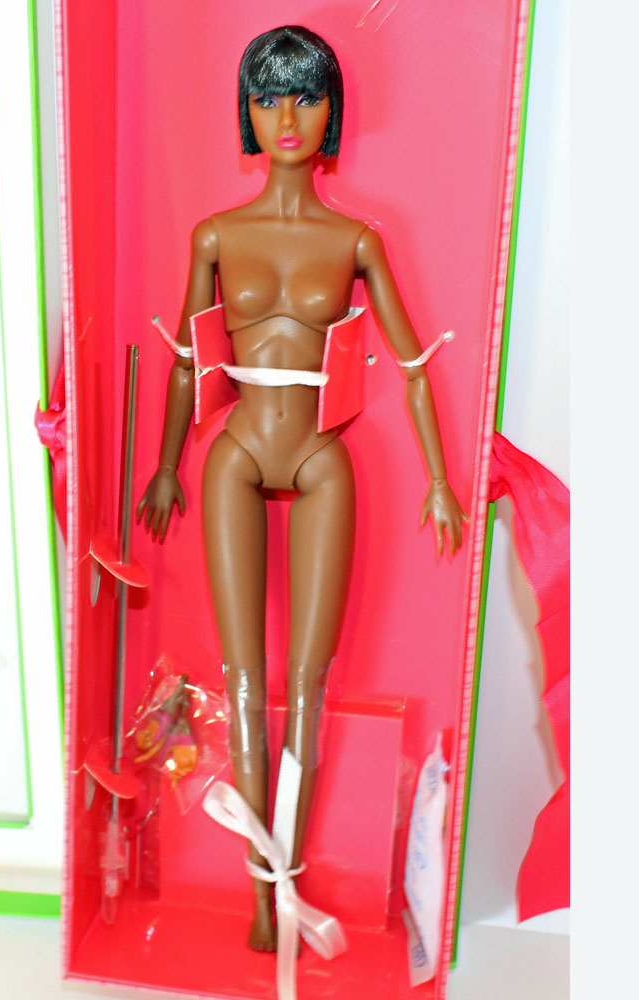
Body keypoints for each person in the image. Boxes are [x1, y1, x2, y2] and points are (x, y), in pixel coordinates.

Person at [136, 25, 466, 952]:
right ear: (246, 111)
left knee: (310, 684)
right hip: (238, 449)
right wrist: (165, 463)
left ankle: (288, 873)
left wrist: (441, 479)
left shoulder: (355, 240)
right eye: (269, 97)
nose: (288, 116)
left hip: (321, 454)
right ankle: (261, 888)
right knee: (245, 678)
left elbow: (412, 365)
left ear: (332, 113)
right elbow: (185, 362)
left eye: (307, 96)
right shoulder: (216, 234)